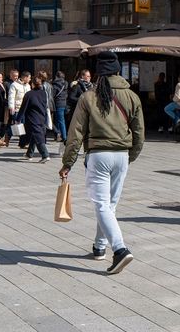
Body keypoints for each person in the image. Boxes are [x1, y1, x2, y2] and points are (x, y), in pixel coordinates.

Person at [60, 51, 144, 275]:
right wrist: (131, 155)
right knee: (109, 205)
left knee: (101, 205)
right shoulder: (132, 96)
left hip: (99, 155)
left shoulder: (89, 97)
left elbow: (75, 133)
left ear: (98, 73)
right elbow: (139, 133)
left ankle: (120, 249)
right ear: (118, 71)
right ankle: (99, 247)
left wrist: (68, 162)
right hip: (122, 155)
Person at [19, 71, 53, 163]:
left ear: (33, 84)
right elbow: (45, 105)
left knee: (38, 136)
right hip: (41, 117)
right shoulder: (43, 93)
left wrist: (18, 118)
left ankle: (45, 154)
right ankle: (29, 154)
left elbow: (23, 107)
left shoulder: (29, 94)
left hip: (32, 118)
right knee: (34, 135)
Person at [8, 70, 30, 147]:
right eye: (29, 78)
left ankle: (22, 143)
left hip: (26, 109)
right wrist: (11, 107)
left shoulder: (28, 85)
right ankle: (7, 135)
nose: (30, 79)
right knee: (18, 126)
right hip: (17, 108)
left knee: (24, 126)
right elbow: (11, 97)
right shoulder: (14, 85)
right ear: (25, 77)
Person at [51, 70, 69, 143]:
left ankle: (64, 137)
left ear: (56, 77)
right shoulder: (66, 84)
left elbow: (52, 95)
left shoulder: (55, 85)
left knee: (61, 121)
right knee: (58, 120)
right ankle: (57, 136)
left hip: (58, 104)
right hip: (64, 103)